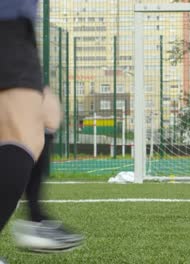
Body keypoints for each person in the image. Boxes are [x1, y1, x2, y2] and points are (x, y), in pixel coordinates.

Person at [0, 0, 83, 258]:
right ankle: (34, 221)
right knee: (23, 131)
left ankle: (35, 218)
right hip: (6, 25)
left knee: (47, 113)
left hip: (16, 28)